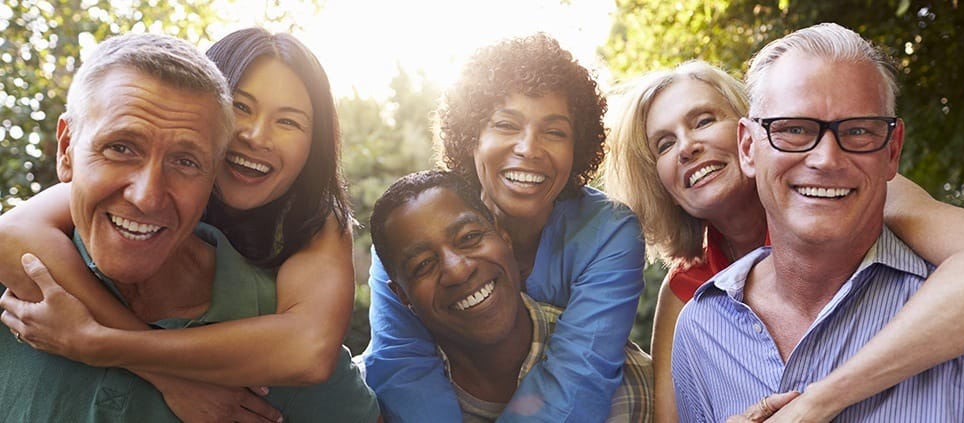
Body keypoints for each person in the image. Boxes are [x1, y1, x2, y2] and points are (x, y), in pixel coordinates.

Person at [0, 31, 379, 422]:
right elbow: (13, 234)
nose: (256, 136)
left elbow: (309, 351)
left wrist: (97, 342)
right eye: (241, 107)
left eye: (288, 121)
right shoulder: (117, 188)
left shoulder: (314, 222)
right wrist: (166, 376)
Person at [604, 57, 964, 422]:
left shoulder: (848, 190)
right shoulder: (687, 294)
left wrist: (819, 402)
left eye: (703, 120)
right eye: (664, 144)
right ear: (660, 182)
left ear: (751, 136)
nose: (686, 147)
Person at [362, 33, 646, 421]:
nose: (529, 148)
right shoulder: (410, 235)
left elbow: (580, 376)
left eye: (554, 131)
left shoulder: (609, 231)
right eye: (506, 125)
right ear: (471, 137)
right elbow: (401, 366)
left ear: (576, 147)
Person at [368, 169, 653, 422]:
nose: (457, 270)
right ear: (401, 296)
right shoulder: (369, 408)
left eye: (469, 237)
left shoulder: (633, 390)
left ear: (504, 237)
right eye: (423, 265)